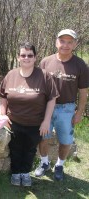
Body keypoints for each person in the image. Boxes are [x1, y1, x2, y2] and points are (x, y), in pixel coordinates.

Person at [0, 42, 58, 186]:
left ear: (35, 57)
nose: (26, 58)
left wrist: (46, 121)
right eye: (23, 55)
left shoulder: (44, 76)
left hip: (35, 123)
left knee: (30, 150)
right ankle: (15, 173)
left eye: (30, 55)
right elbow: (2, 97)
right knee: (15, 149)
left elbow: (52, 99)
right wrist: (3, 115)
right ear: (18, 57)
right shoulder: (11, 74)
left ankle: (25, 173)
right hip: (14, 122)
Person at [35, 29, 89, 181]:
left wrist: (79, 112)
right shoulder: (45, 61)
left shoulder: (81, 65)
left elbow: (83, 92)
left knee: (66, 141)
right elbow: (40, 87)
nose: (65, 45)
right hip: (46, 108)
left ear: (75, 44)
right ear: (56, 42)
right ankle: (44, 163)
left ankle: (59, 165)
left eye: (69, 42)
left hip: (67, 109)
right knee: (42, 137)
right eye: (62, 41)